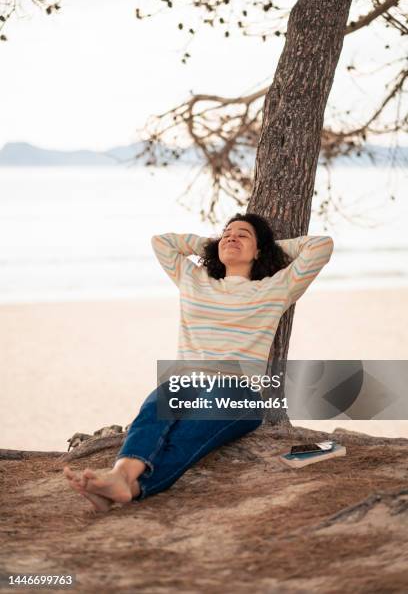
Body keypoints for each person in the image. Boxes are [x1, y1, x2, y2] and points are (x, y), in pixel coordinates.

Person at [64, 212, 334, 512]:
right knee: (155, 407)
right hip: (187, 382)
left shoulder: (275, 288)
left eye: (243, 235)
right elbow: (162, 243)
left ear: (259, 251)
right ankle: (121, 479)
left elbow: (321, 246)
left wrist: (267, 245)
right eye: (227, 233)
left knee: (187, 433)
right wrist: (219, 243)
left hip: (238, 390)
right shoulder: (194, 280)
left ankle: (135, 486)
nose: (231, 236)